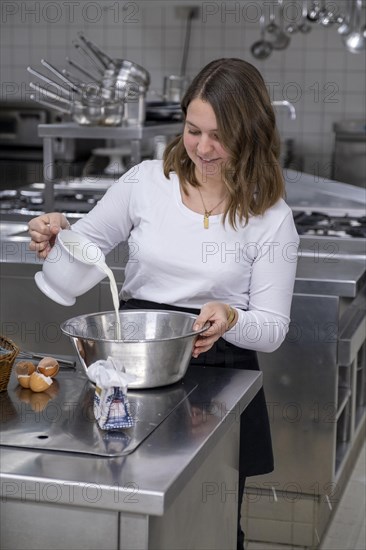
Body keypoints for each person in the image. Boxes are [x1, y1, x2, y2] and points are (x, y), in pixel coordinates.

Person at [28, 58, 299, 549]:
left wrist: (234, 316)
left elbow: (273, 327)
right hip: (130, 364)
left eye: (221, 135)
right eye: (194, 130)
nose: (203, 148)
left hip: (218, 372)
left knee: (207, 523)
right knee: (123, 509)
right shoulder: (146, 181)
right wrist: (57, 230)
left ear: (253, 132)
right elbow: (87, 240)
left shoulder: (271, 217)